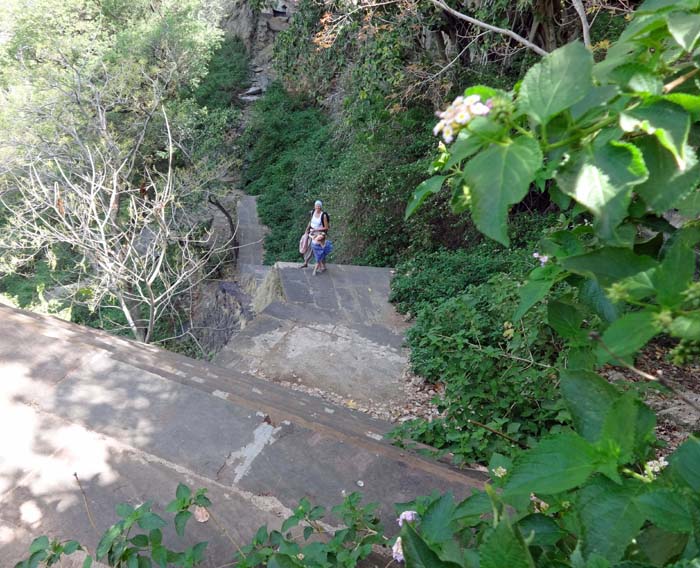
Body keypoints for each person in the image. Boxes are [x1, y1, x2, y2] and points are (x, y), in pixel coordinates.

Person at [300, 200, 329, 268]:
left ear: (321, 207)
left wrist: (316, 229)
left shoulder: (323, 215)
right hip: (311, 232)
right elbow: (310, 222)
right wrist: (307, 229)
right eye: (316, 206)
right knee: (308, 247)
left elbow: (326, 227)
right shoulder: (313, 212)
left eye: (319, 206)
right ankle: (306, 262)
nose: (318, 207)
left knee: (318, 249)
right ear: (314, 206)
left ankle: (323, 265)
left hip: (319, 234)